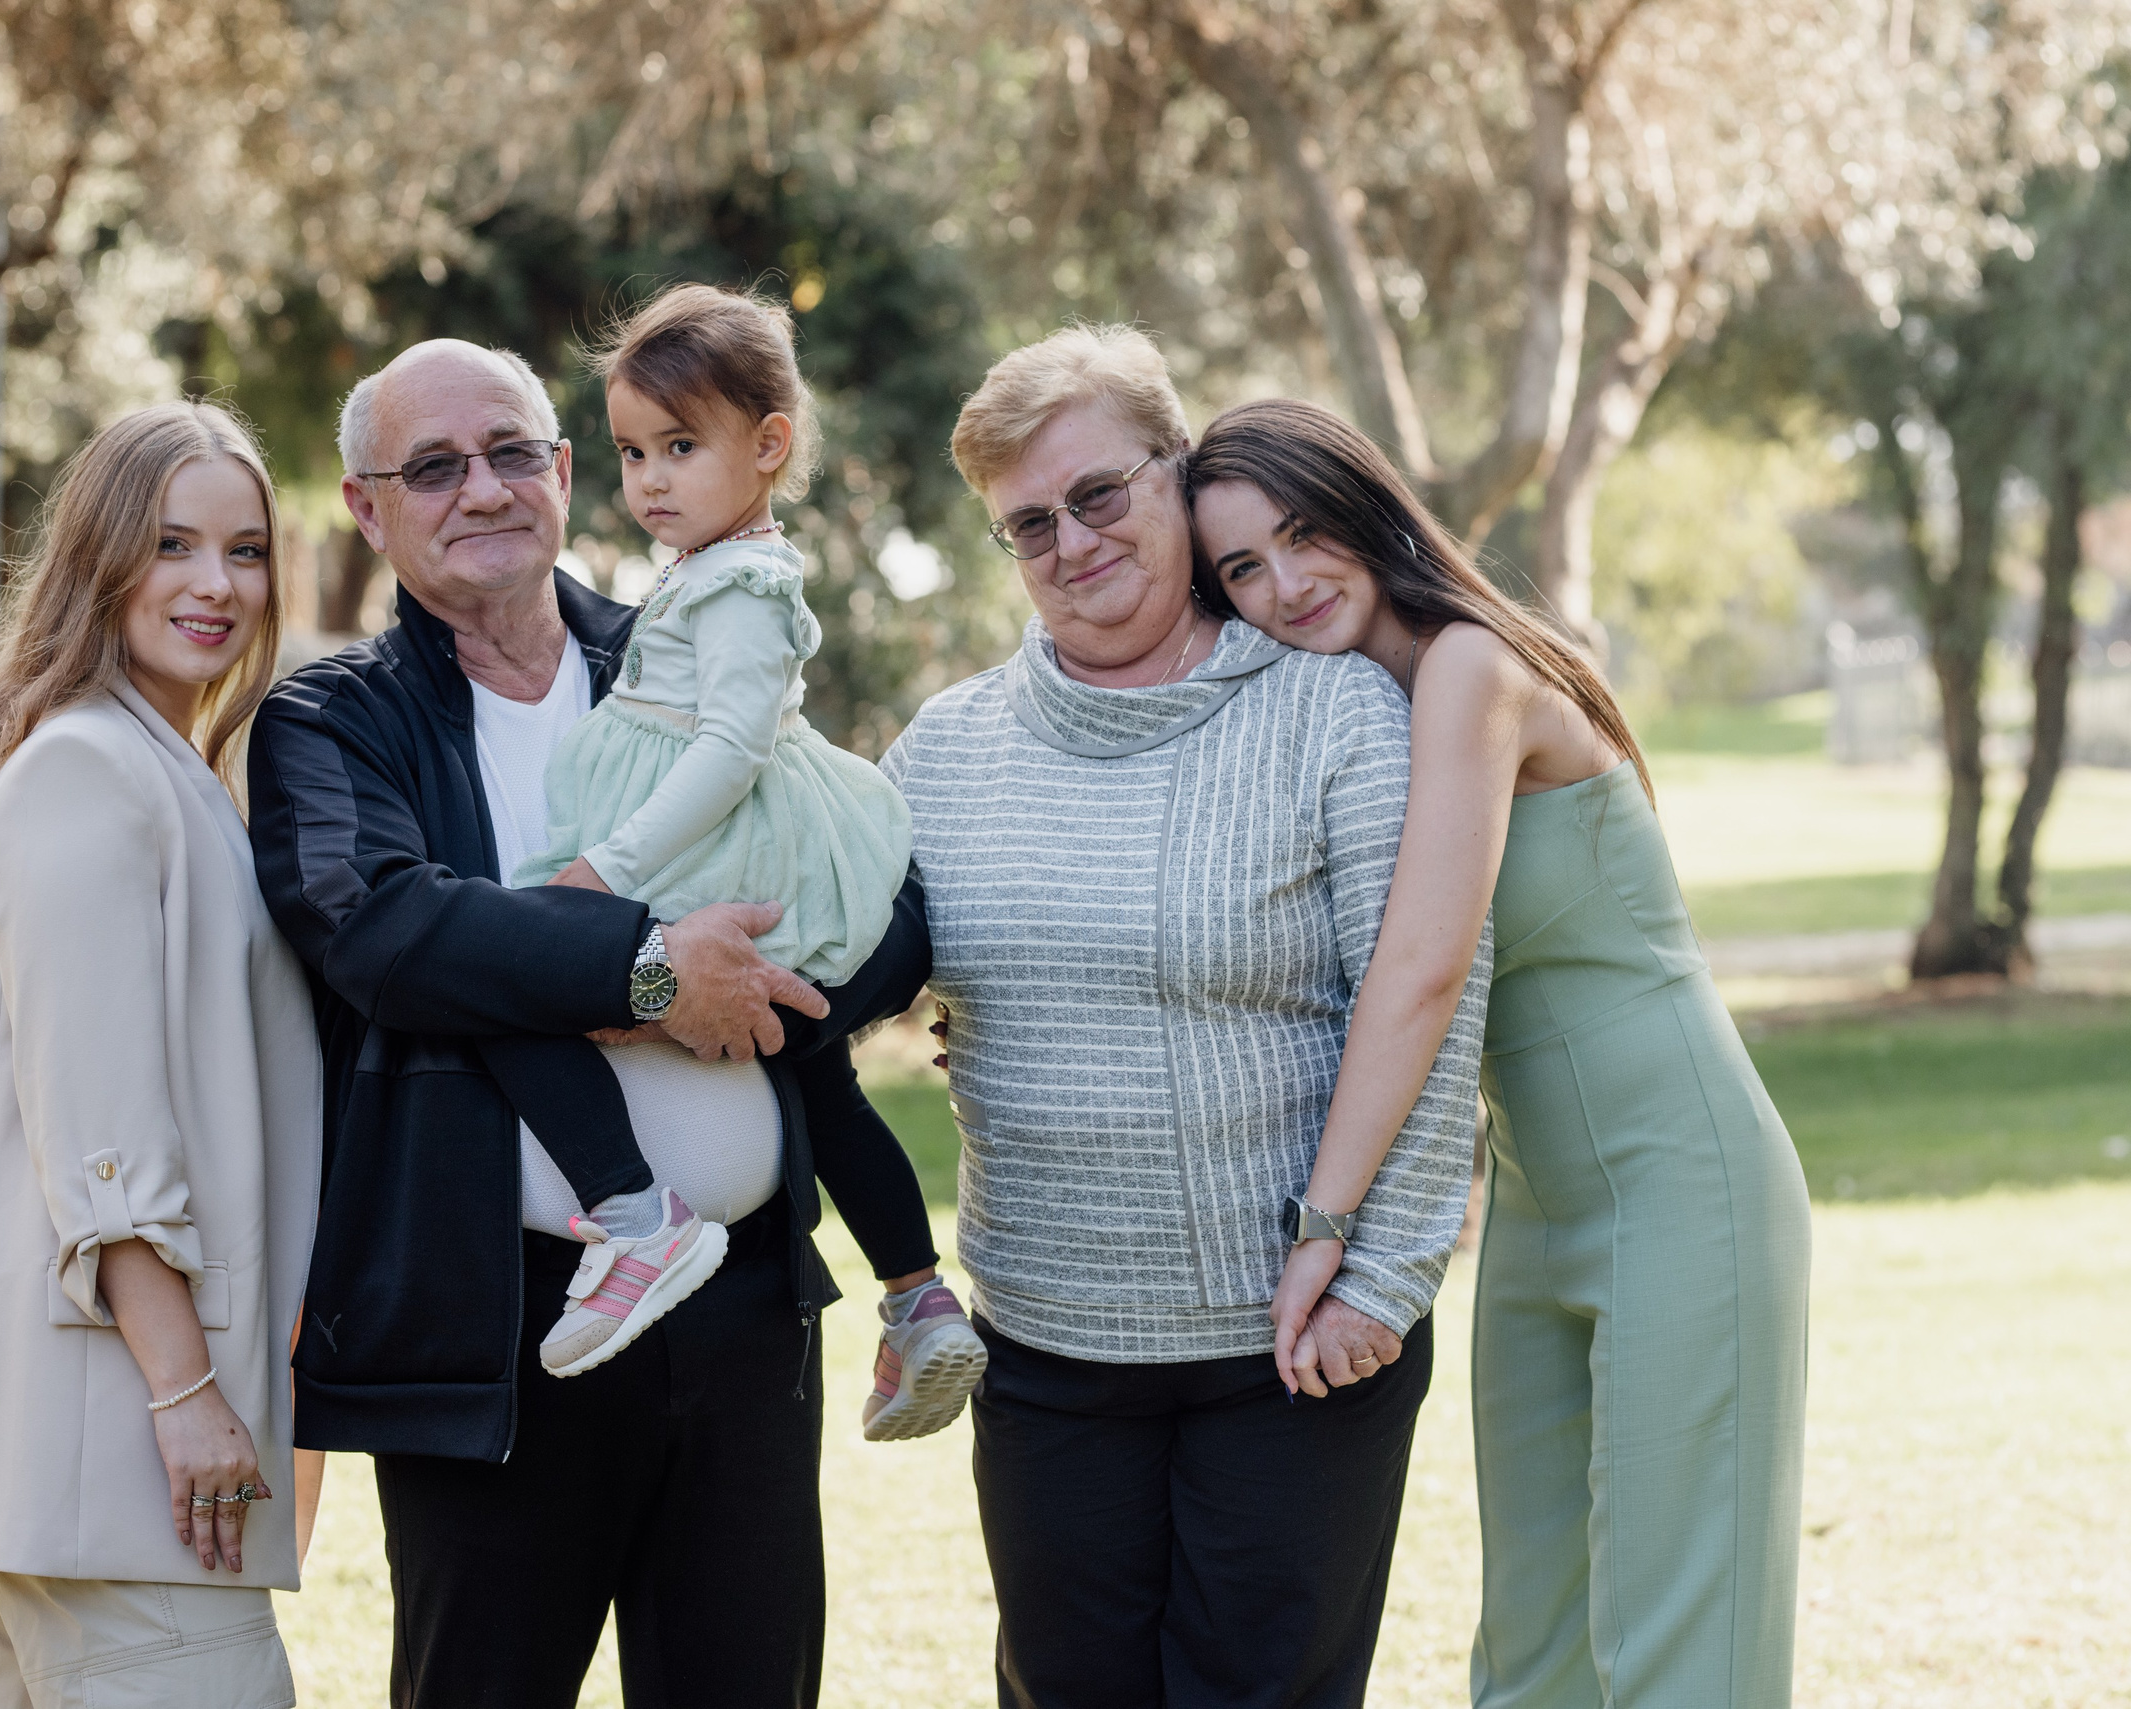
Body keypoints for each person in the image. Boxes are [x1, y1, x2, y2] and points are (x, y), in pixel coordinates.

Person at [245, 336, 933, 1708]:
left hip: (741, 1319)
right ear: (366, 510)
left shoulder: (691, 652)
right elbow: (386, 930)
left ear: (565, 474)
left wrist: (776, 993)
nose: (483, 489)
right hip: (499, 1335)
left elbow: (880, 897)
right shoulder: (333, 723)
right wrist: (649, 971)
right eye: (432, 467)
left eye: (513, 452)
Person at [884, 324, 1490, 1709]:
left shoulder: (1336, 709)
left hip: (1294, 1349)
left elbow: (1425, 1000)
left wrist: (1383, 1281)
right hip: (1044, 1344)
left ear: (1177, 472)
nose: (1072, 542)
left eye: (1100, 494)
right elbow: (843, 956)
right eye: (1027, 525)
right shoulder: (946, 749)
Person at [1186, 396, 1813, 1708]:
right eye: (1242, 566)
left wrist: (1327, 1226)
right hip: (1539, 1199)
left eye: (1305, 535)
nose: (1284, 584)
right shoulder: (1361, 706)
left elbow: (1420, 975)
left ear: (1367, 514)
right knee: (1535, 1640)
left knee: (1679, 1632)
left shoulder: (1471, 666)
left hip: (1685, 1180)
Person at [0, 401, 320, 1707]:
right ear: (98, 555)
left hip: (109, 1484)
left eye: (244, 552)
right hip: (131, 1469)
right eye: (172, 543)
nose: (215, 584)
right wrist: (186, 1397)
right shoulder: (85, 771)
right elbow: (102, 1139)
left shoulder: (155, 765)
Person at [470, 283, 978, 1433]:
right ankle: (919, 1295)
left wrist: (606, 866)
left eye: (681, 447)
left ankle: (634, 1215)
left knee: (518, 984)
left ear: (768, 446)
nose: (648, 478)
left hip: (711, 844)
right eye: (632, 451)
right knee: (819, 1076)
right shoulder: (705, 569)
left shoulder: (746, 583)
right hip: (709, 838)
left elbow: (732, 748)